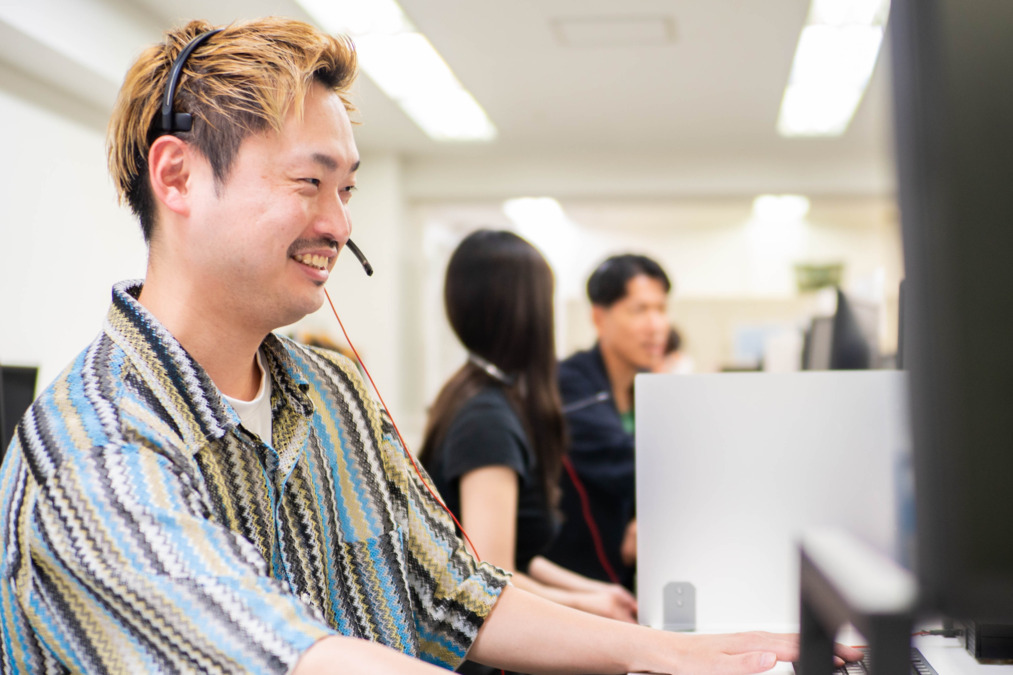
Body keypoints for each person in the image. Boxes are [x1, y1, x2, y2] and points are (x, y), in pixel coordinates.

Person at [0, 17, 860, 674]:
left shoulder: (329, 393)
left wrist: (671, 651)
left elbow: (453, 589)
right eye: (308, 182)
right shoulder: (92, 448)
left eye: (347, 188)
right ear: (178, 176)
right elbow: (279, 652)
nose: (337, 224)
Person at [418, 231, 638, 674]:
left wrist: (590, 593)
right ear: (528, 309)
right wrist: (585, 606)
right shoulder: (487, 419)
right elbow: (493, 578)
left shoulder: (476, 393)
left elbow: (509, 553)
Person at [545, 254, 671, 590]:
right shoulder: (570, 384)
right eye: (640, 310)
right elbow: (625, 463)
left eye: (661, 309)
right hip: (577, 583)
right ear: (599, 318)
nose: (656, 325)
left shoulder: (644, 389)